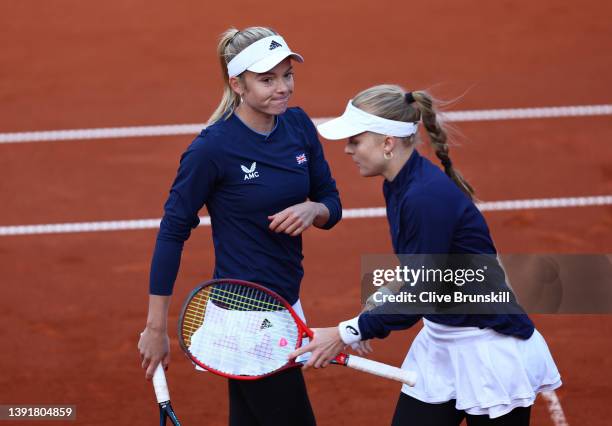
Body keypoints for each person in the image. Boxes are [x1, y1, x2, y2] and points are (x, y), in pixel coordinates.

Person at [290, 85, 561, 425]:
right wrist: (385, 296)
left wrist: (349, 332)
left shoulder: (422, 196)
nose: (346, 150)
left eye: (355, 140)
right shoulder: (400, 184)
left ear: (388, 143)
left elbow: (425, 293)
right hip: (441, 339)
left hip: (487, 348)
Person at [138, 26, 342, 426]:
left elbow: (332, 203)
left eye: (287, 75)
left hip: (285, 304)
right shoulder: (211, 149)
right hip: (246, 318)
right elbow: (172, 233)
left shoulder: (299, 126)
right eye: (267, 79)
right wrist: (155, 328)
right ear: (238, 84)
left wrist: (312, 210)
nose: (282, 87)